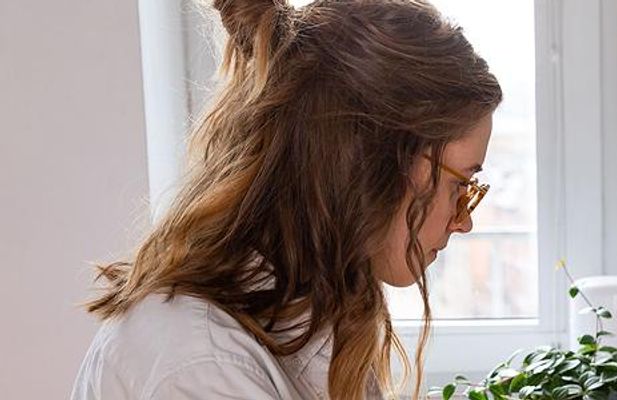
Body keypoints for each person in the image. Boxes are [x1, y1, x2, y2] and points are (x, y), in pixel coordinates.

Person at [71, 0, 501, 398]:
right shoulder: (200, 365)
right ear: (370, 165)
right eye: (459, 185)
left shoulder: (320, 322)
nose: (463, 222)